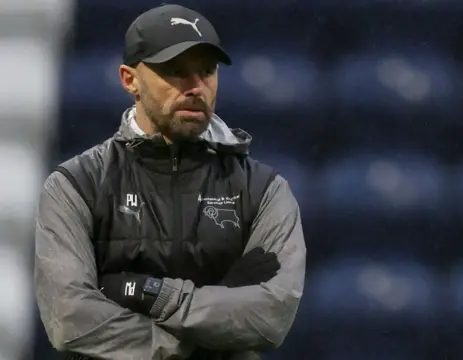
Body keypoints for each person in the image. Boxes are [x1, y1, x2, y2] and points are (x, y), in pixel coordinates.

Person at [34, 4, 306, 360]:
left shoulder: (264, 190)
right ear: (129, 79)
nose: (195, 87)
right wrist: (195, 345)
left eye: (207, 71)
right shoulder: (76, 185)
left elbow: (269, 316)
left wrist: (146, 293)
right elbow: (71, 321)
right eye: (175, 71)